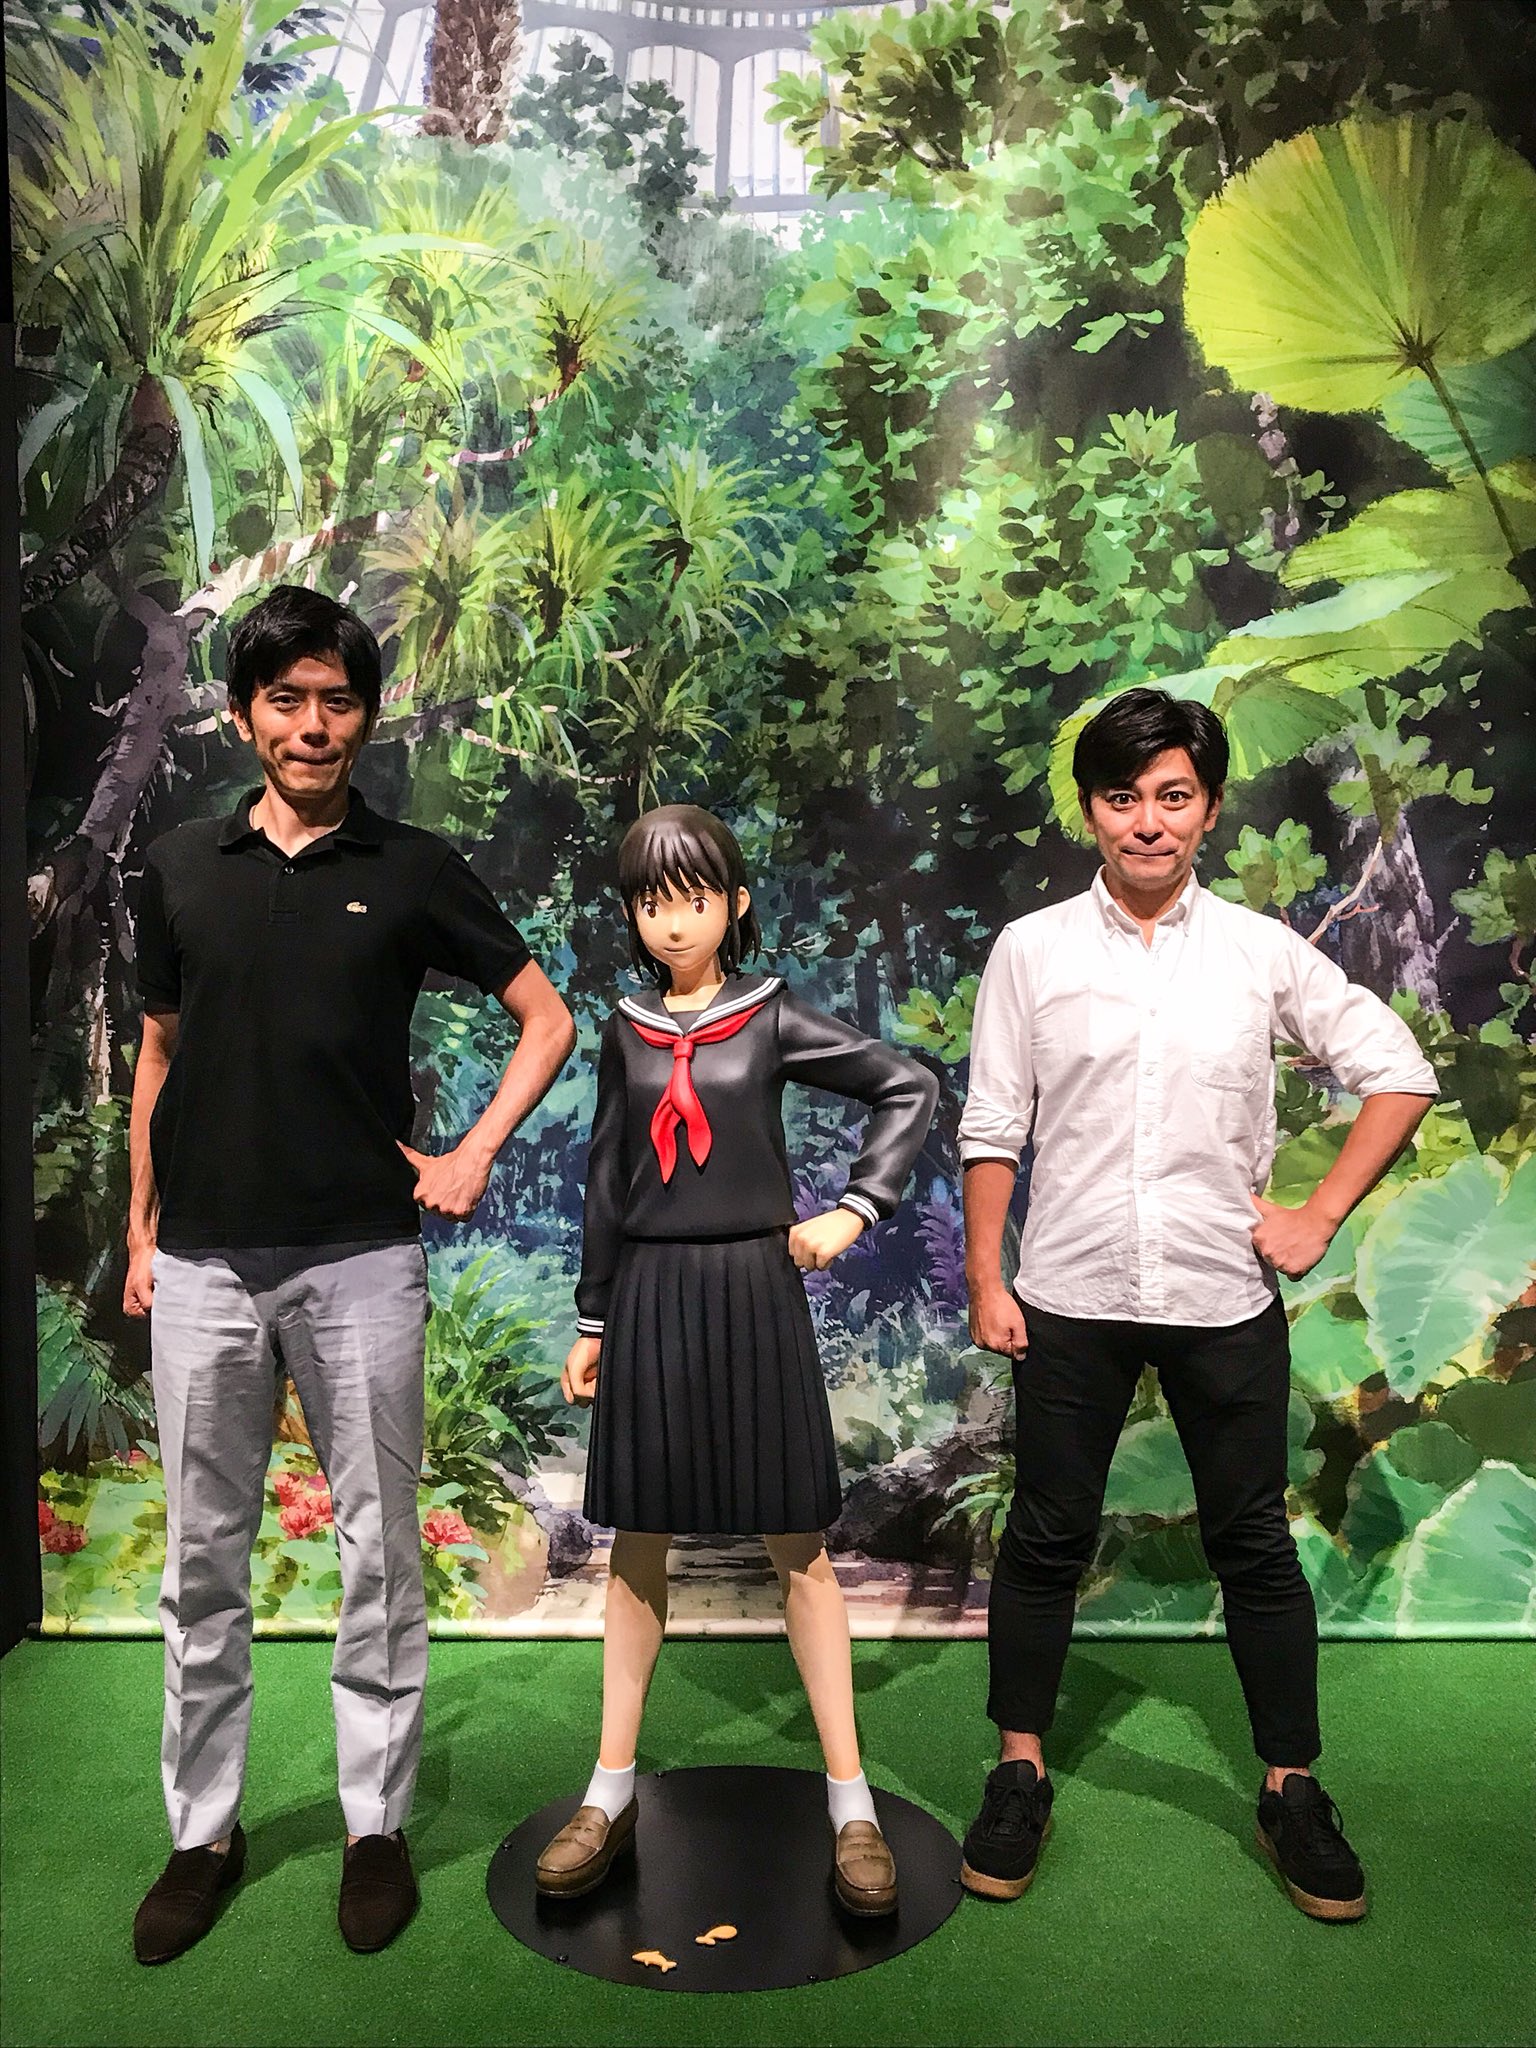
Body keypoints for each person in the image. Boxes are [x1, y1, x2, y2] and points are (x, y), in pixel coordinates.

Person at [124, 585, 575, 1963]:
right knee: (201, 1564)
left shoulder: (415, 867)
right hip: (202, 1264)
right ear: (244, 715)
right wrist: (139, 1231)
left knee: (380, 1555)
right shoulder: (179, 866)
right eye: (287, 700)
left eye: (336, 700)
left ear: (365, 717)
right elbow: (157, 1054)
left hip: (363, 1261)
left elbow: (545, 1016)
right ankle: (203, 1834)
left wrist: (473, 1152)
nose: (312, 724)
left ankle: (374, 1826)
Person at [956, 687, 1437, 1922]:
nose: (1149, 821)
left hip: (1223, 1295)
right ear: (1091, 811)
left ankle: (1291, 1788)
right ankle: (1019, 1771)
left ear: (1211, 809)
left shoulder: (1260, 952)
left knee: (1254, 1542)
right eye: (1124, 797)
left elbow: (1397, 1069)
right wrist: (987, 1276)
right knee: (1046, 1535)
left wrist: (1317, 1214)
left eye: (1174, 796)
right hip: (1070, 1292)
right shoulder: (1032, 950)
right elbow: (994, 1124)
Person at [535, 805, 938, 1914]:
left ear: (736, 903)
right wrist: (594, 1319)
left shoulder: (771, 1015)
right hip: (651, 1295)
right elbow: (607, 1176)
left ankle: (850, 1801)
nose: (673, 922)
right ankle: (608, 1790)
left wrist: (854, 1210)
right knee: (639, 1542)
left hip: (755, 1291)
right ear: (632, 913)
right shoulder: (623, 1029)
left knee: (798, 1545)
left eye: (695, 898)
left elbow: (907, 1084)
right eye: (652, 902)